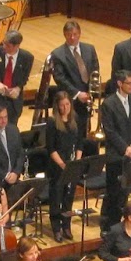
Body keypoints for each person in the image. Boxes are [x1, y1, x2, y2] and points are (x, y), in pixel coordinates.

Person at [100, 70, 131, 222]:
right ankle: (109, 225)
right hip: (116, 156)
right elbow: (110, 131)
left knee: (125, 193)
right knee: (114, 194)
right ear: (119, 83)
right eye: (129, 83)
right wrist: (125, 148)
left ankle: (124, 224)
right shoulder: (108, 104)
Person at [49, 19, 100, 136]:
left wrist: (91, 91)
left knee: (85, 129)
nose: (72, 37)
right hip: (70, 99)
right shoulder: (58, 54)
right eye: (69, 35)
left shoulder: (90, 49)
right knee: (72, 131)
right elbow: (60, 78)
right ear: (64, 35)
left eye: (75, 34)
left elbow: (95, 70)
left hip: (87, 97)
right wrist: (77, 94)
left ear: (79, 33)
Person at [45, 90, 82, 240]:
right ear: (57, 106)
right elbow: (51, 148)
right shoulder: (52, 122)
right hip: (57, 166)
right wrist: (62, 165)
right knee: (56, 197)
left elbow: (80, 143)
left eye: (67, 104)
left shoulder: (75, 119)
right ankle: (56, 228)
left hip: (72, 164)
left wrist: (76, 162)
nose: (65, 108)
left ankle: (66, 225)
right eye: (62, 105)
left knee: (69, 197)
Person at [0, 30, 33, 123]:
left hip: (13, 104)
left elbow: (24, 78)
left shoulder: (27, 58)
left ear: (17, 46)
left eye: (8, 45)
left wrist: (18, 88)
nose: (4, 46)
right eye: (4, 43)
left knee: (11, 130)